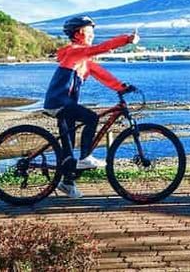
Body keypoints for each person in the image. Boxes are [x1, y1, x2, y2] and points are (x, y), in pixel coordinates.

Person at [43, 16, 138, 198]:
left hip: (66, 104)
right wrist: (126, 39)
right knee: (92, 118)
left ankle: (68, 182)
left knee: (68, 148)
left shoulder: (83, 59)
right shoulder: (74, 51)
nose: (93, 35)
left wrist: (121, 87)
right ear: (79, 33)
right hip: (59, 102)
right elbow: (100, 48)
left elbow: (101, 74)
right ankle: (86, 157)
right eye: (90, 31)